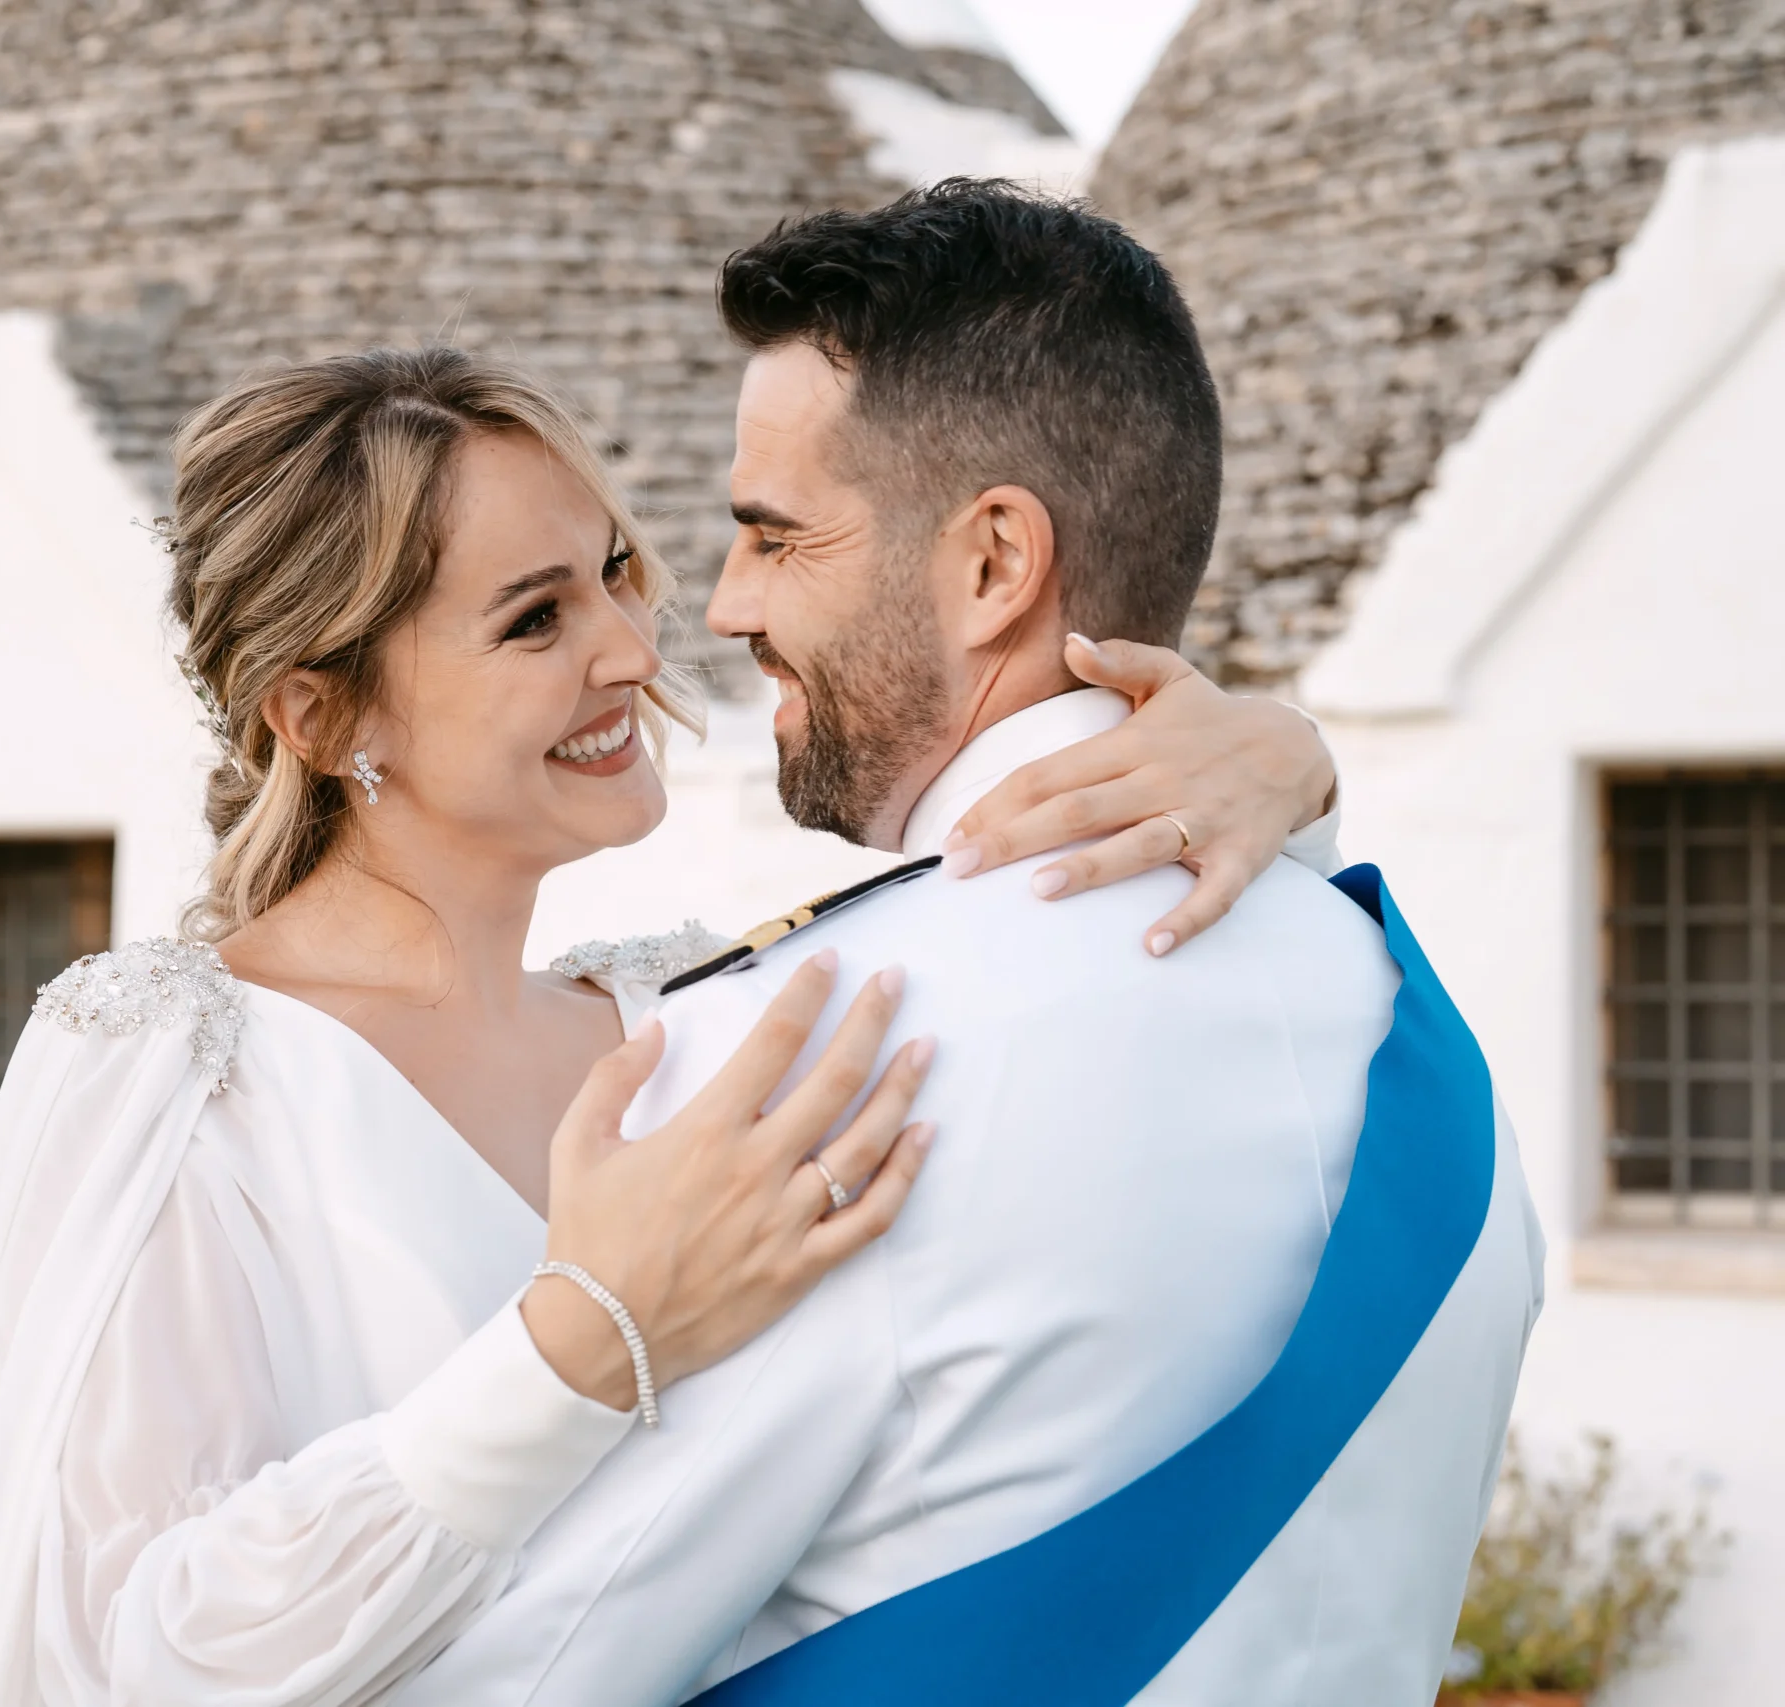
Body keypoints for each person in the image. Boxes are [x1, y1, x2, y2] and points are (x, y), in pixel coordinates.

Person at [0, 339, 1345, 1705]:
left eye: (611, 574)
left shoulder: (691, 1012)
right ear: (324, 716)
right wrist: (579, 1344)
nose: (633, 647)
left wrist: (1282, 756)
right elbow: (133, 1646)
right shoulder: (173, 1072)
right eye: (534, 618)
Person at [393, 183, 1547, 1707]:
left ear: (995, 561)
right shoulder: (1416, 1039)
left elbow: (527, 1670)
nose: (723, 606)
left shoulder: (810, 1070)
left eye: (775, 535)